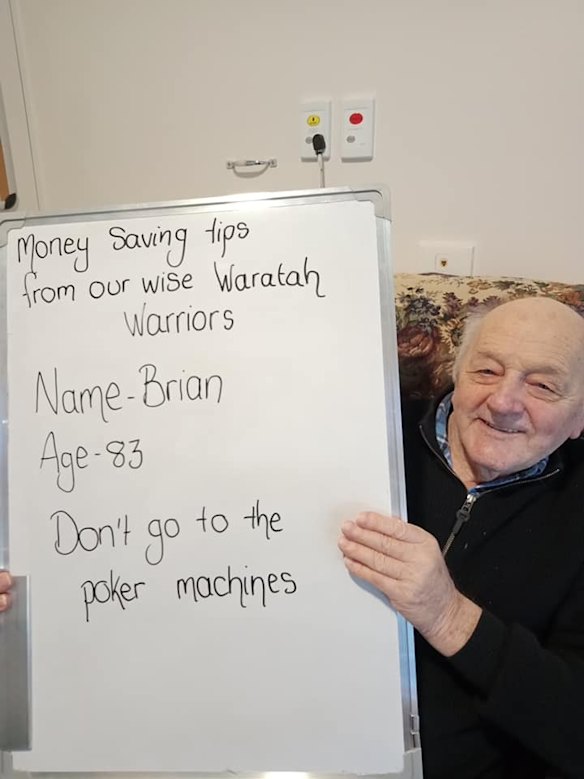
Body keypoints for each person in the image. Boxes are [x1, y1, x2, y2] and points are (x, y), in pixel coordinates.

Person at [338, 296, 584, 779]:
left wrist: (449, 616)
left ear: (580, 418)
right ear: (457, 369)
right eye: (487, 371)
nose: (505, 402)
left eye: (542, 385)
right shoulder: (364, 434)